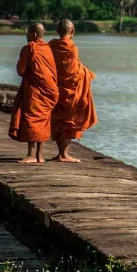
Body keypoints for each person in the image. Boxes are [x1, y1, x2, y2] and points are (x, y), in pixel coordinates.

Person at [48, 19, 98, 163]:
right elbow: (74, 71)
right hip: (72, 89)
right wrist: (85, 74)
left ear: (57, 31)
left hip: (56, 87)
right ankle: (63, 154)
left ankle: (60, 154)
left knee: (59, 119)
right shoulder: (72, 47)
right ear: (72, 31)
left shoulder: (51, 45)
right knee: (69, 120)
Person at [9, 23, 59, 164]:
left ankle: (31, 155)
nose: (26, 35)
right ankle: (40, 155)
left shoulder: (29, 49)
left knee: (31, 118)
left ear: (34, 35)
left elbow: (21, 71)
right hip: (49, 91)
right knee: (43, 120)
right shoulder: (48, 49)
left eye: (28, 33)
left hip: (35, 91)